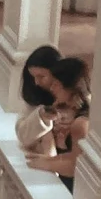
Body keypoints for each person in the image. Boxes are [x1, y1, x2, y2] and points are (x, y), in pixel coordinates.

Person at [26, 54, 91, 189]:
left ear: (70, 87)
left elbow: (75, 165)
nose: (51, 88)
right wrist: (48, 159)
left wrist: (45, 164)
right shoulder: (72, 110)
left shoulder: (81, 123)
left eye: (56, 84)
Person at [15, 44, 64, 158]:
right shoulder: (35, 95)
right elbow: (23, 135)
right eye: (33, 77)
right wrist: (42, 117)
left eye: (41, 76)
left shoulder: (76, 94)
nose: (36, 82)